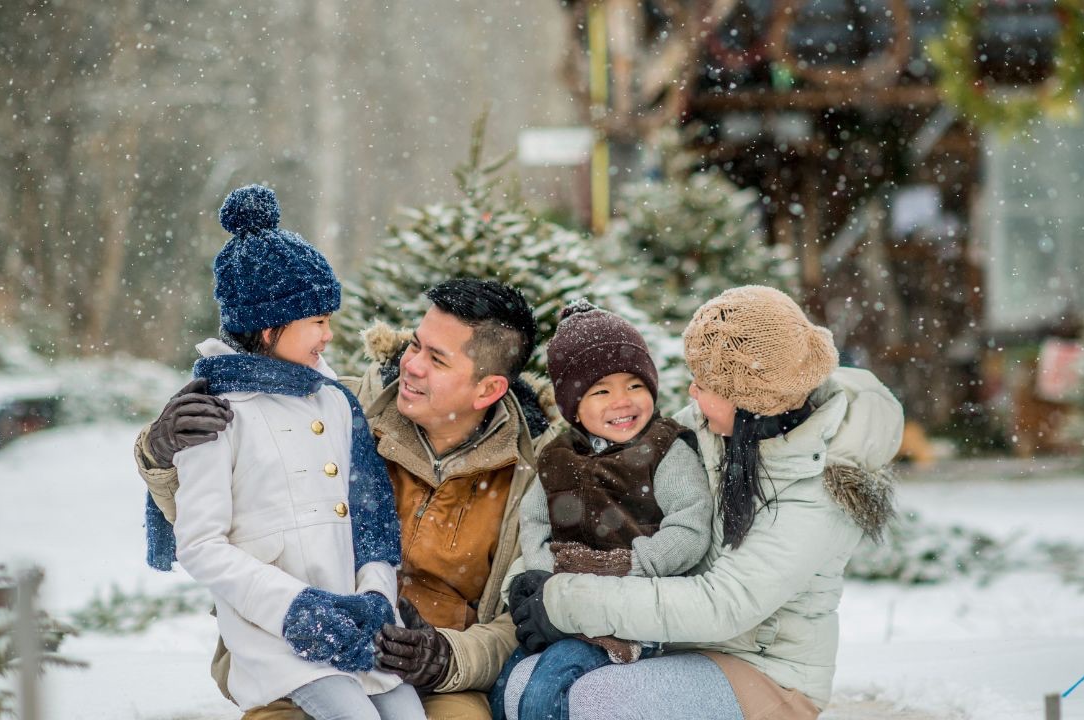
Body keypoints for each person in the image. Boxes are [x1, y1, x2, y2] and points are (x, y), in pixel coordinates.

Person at [136, 275, 557, 720]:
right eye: (415, 345)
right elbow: (220, 523)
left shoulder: (531, 476)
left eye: (437, 359)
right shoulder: (336, 406)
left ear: (487, 389)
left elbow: (518, 621)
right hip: (301, 649)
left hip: (435, 675)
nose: (412, 365)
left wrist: (448, 658)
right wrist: (162, 452)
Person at [505, 285, 904, 720]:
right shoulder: (708, 429)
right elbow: (599, 495)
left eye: (708, 383)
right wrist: (532, 580)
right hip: (673, 644)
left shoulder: (819, 489)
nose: (692, 391)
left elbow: (723, 605)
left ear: (749, 400)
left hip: (766, 671)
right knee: (522, 685)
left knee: (592, 701)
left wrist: (563, 601)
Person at [165, 184, 424, 718]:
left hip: (358, 625)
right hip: (277, 636)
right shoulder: (214, 412)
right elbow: (200, 544)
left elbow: (372, 521)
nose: (330, 336)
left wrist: (377, 598)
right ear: (268, 325)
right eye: (318, 321)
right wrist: (295, 610)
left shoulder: (333, 401)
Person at [490, 301, 713, 720]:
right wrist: (541, 581)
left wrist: (628, 565)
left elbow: (691, 525)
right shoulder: (556, 457)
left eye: (634, 385)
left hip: (633, 612)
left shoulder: (664, 450)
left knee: (548, 686)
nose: (622, 402)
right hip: (559, 609)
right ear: (573, 405)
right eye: (601, 391)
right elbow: (536, 523)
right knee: (506, 685)